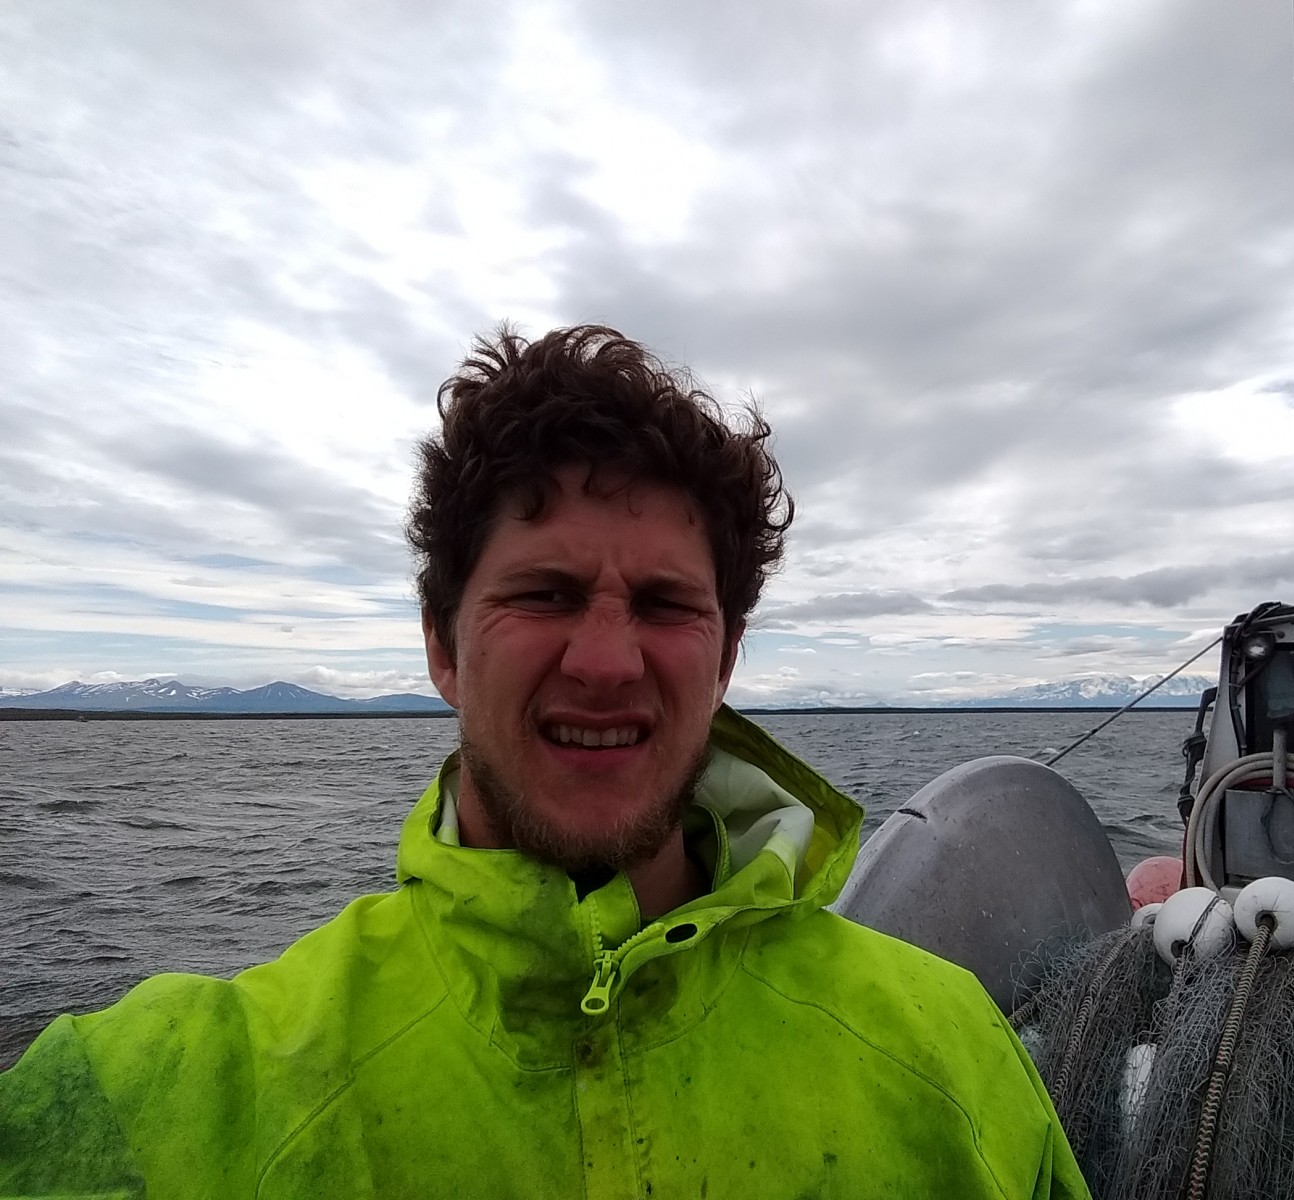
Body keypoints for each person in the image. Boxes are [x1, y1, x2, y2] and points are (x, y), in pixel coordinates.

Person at [0, 325, 1087, 1198]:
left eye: (664, 606)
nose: (608, 661)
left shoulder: (946, 1053)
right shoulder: (177, 1096)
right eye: (544, 594)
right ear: (441, 645)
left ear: (726, 661)